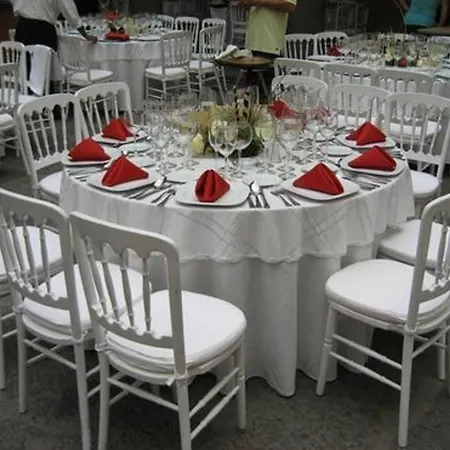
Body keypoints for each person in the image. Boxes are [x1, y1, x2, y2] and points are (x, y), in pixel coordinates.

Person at [239, 0, 297, 100]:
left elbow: (290, 6)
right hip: (252, 43)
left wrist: (259, 2)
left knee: (266, 94)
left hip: (270, 45)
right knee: (250, 95)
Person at [12, 0, 98, 52]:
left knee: (25, 68)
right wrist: (85, 35)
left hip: (22, 27)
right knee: (44, 69)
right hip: (42, 30)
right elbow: (69, 11)